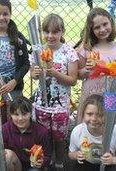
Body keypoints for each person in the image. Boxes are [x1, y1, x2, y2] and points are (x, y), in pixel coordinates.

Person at [30, 13, 79, 170]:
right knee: (43, 136)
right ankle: (46, 161)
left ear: (62, 32)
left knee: (59, 137)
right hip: (41, 104)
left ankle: (59, 162)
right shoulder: (38, 51)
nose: (50, 36)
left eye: (55, 32)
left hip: (60, 105)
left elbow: (73, 79)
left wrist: (55, 73)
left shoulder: (69, 52)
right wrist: (35, 74)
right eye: (46, 32)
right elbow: (32, 75)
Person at [76, 7, 116, 124]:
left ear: (111, 22)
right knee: (89, 122)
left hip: (111, 94)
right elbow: (78, 75)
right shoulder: (86, 48)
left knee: (109, 123)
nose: (102, 29)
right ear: (91, 30)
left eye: (105, 24)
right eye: (97, 27)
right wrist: (87, 69)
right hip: (91, 92)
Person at [68, 94, 116, 171]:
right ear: (83, 114)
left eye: (99, 115)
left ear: (106, 116)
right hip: (87, 162)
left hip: (109, 164)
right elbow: (70, 154)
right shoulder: (77, 131)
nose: (94, 119)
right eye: (89, 114)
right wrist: (76, 155)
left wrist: (113, 160)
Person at [0, 96, 52, 171]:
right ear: (11, 115)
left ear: (30, 113)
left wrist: (42, 161)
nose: (20, 118)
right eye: (16, 114)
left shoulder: (41, 132)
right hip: (13, 164)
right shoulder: (5, 129)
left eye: (24, 114)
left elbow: (48, 156)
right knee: (7, 155)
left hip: (33, 166)